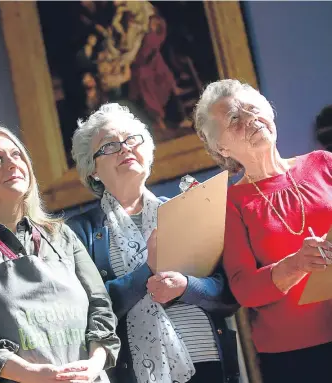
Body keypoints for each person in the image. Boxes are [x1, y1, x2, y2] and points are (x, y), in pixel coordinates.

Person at [67, 103, 240, 383]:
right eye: (109, 146)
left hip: (208, 363)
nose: (124, 148)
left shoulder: (185, 210)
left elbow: (228, 294)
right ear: (93, 170)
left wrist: (186, 286)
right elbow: (83, 311)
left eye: (131, 139)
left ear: (146, 152)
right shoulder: (79, 232)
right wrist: (147, 270)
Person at [0, 124, 120, 383]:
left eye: (16, 154)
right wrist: (28, 373)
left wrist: (93, 365)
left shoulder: (62, 235)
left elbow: (101, 306)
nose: (12, 163)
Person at [193, 79, 332, 383]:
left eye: (253, 109)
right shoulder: (231, 204)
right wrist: (297, 264)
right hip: (296, 357)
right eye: (234, 119)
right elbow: (243, 288)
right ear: (221, 147)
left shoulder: (324, 163)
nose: (250, 119)